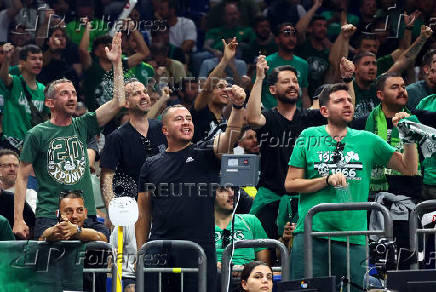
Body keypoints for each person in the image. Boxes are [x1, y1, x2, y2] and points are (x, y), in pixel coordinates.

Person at [284, 83, 418, 291]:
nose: (347, 105)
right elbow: (290, 184)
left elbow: (408, 168)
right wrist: (325, 180)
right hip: (311, 234)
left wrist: (408, 135)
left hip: (353, 236)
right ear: (324, 111)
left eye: (349, 101)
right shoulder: (309, 136)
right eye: (339, 101)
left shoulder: (368, 140)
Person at [135, 75, 246, 291]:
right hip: (159, 249)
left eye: (189, 118)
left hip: (199, 249)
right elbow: (143, 211)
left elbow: (229, 138)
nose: (186, 122)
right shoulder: (150, 165)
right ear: (164, 130)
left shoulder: (205, 153)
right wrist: (142, 252)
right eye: (179, 119)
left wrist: (238, 107)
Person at [13, 32, 125, 240]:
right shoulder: (36, 134)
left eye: (74, 93)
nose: (72, 97)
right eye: (65, 93)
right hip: (50, 214)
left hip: (86, 212)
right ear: (50, 103)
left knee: (94, 268)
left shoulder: (83, 124)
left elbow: (118, 102)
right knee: (52, 270)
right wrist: (18, 219)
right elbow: (21, 177)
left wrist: (117, 64)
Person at [246, 57, 324, 242]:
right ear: (272, 90)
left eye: (295, 81)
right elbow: (253, 118)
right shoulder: (268, 118)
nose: (292, 85)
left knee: (303, 254)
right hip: (270, 198)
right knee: (264, 253)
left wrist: (347, 80)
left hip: (305, 200)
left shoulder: (311, 118)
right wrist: (259, 77)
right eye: (286, 81)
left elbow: (345, 114)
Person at [100, 79, 167, 208]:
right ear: (125, 102)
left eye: (145, 92)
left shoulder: (162, 128)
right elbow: (107, 178)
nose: (143, 96)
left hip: (164, 205)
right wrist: (112, 211)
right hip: (131, 208)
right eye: (136, 94)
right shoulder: (116, 137)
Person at [0, 43, 49, 151]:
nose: (38, 62)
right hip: (11, 144)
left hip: (31, 146)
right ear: (22, 62)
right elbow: (4, 77)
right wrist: (7, 59)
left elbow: (45, 118)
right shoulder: (15, 82)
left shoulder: (43, 89)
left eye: (40, 59)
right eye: (33, 58)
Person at [215, 186, 269, 270]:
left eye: (233, 189)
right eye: (223, 190)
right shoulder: (201, 224)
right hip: (210, 275)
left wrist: (246, 270)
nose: (231, 194)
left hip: (246, 276)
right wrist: (212, 265)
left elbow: (263, 265)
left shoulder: (251, 220)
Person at [261, 23, 311, 109]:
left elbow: (304, 94)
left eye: (294, 35)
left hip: (295, 115)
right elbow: (255, 89)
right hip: (269, 113)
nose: (291, 39)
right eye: (286, 35)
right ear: (277, 39)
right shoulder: (266, 62)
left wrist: (309, 115)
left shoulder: (303, 64)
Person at [39, 190, 109, 242]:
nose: (74, 216)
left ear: (85, 213)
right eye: (68, 211)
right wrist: (52, 233)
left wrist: (77, 231)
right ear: (58, 214)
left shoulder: (94, 225)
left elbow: (102, 238)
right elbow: (41, 239)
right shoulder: (53, 226)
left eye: (79, 210)